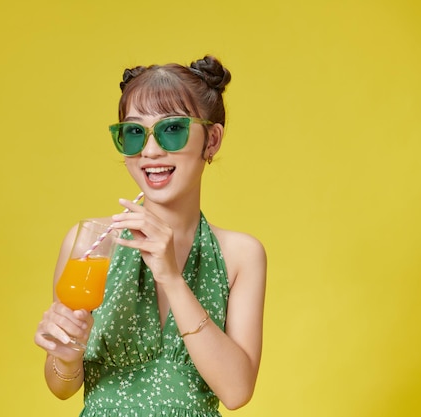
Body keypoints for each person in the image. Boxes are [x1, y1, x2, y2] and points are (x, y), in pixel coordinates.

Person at [34, 55, 267, 416]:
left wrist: (171, 276)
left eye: (172, 129)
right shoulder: (88, 245)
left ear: (212, 140)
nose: (150, 150)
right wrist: (65, 359)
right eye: (134, 132)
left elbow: (237, 391)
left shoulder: (240, 255)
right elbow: (62, 387)